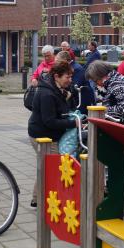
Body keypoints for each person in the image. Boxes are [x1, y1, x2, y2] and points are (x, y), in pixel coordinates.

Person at [28, 61, 78, 207]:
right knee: (53, 168)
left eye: (71, 77)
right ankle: (47, 200)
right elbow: (49, 121)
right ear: (56, 76)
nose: (70, 80)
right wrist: (73, 124)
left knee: (45, 166)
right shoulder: (47, 93)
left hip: (48, 134)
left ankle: (38, 199)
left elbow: (65, 109)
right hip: (43, 136)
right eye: (67, 77)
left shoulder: (56, 89)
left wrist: (68, 98)